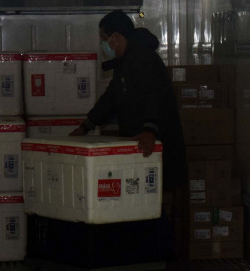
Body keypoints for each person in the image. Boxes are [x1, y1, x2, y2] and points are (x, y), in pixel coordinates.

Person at [70, 10, 186, 190]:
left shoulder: (142, 58)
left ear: (116, 37)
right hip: (140, 144)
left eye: (105, 38)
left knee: (152, 194)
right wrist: (86, 125)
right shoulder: (125, 62)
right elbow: (111, 98)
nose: (104, 44)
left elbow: (154, 94)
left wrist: (149, 130)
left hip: (156, 144)